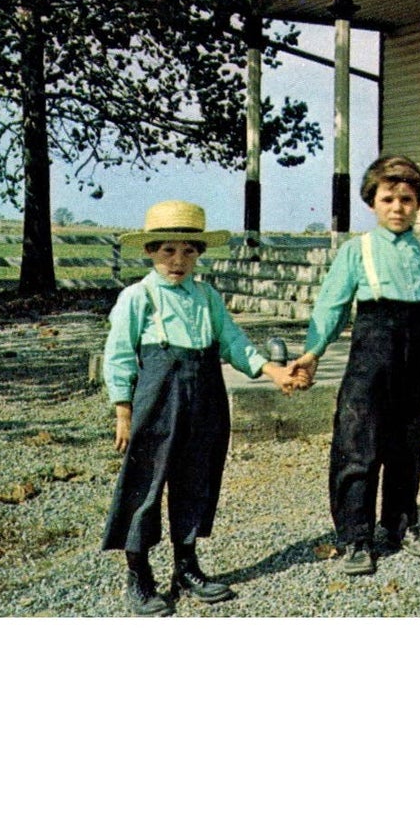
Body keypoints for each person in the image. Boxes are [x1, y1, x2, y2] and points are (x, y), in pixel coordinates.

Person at [101, 200, 298, 616]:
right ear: (151, 251)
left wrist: (272, 371)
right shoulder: (138, 298)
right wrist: (123, 409)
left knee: (196, 479)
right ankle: (138, 574)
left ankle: (186, 567)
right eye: (168, 251)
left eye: (188, 251)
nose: (178, 260)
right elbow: (118, 355)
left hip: (204, 397)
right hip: (158, 400)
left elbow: (234, 341)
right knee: (147, 483)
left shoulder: (207, 296)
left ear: (199, 255)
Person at [291, 155, 420, 576]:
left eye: (406, 199)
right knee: (358, 444)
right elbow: (330, 306)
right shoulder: (357, 251)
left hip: (418, 363)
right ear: (372, 203)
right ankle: (355, 536)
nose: (398, 207)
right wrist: (312, 352)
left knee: (408, 446)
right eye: (388, 199)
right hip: (372, 360)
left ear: (418, 203)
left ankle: (401, 524)